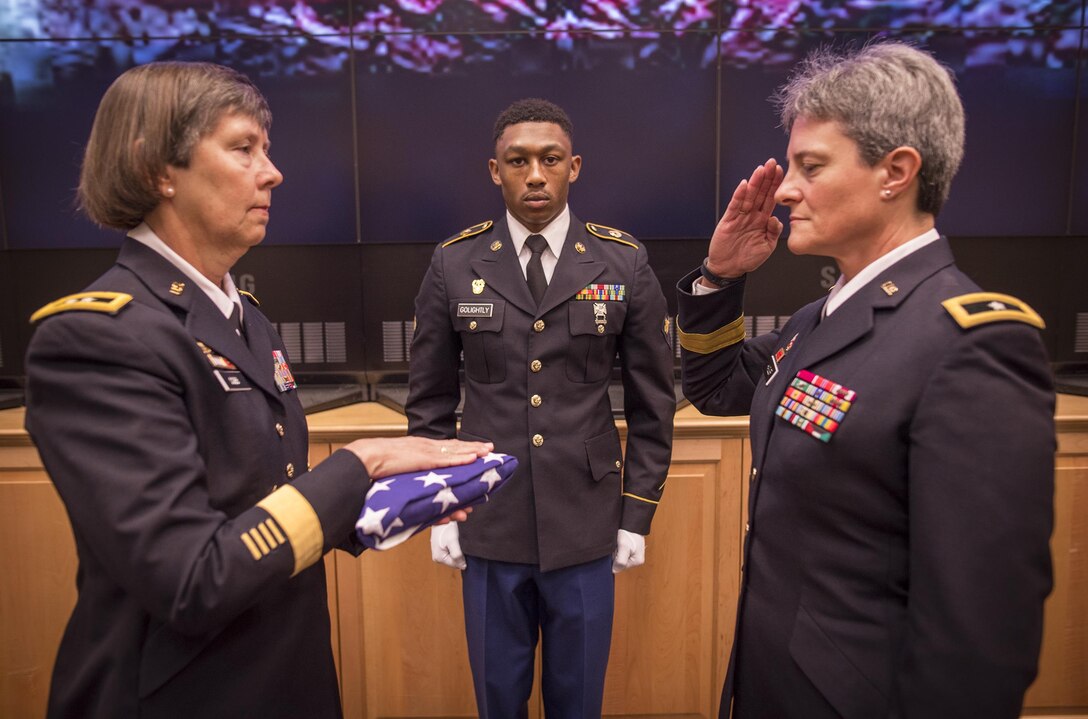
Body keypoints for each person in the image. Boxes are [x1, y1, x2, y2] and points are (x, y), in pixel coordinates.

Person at [24, 62, 491, 719]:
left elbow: (261, 503)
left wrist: (386, 502)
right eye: (244, 148)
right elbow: (192, 579)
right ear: (159, 168)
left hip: (285, 676)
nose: (272, 172)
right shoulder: (95, 337)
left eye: (265, 151)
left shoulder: (246, 319)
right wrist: (362, 464)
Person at [676, 43, 1055, 718]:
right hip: (773, 681)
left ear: (896, 171)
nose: (785, 188)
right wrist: (719, 277)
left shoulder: (971, 344)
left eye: (810, 166)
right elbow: (718, 388)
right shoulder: (818, 319)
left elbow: (979, 636)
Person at [407, 97, 676, 717]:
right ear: (493, 171)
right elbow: (429, 402)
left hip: (586, 522)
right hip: (488, 517)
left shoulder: (621, 261)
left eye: (550, 160)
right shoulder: (454, 263)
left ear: (573, 167)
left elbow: (653, 404)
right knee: (497, 697)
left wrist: (636, 514)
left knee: (577, 698)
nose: (535, 174)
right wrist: (439, 506)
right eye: (518, 160)